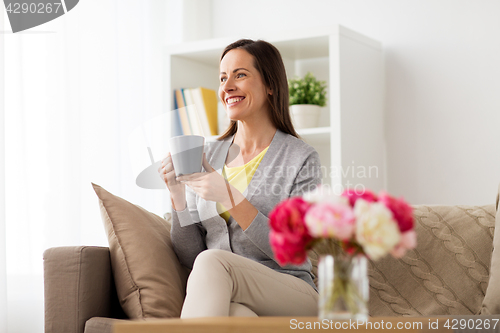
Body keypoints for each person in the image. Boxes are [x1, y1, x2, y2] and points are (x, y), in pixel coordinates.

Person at [159, 39, 322, 318]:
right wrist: (177, 196)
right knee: (236, 316)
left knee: (212, 261)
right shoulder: (208, 155)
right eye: (223, 77)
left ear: (270, 85)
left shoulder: (301, 158)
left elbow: (293, 251)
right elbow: (191, 256)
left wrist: (228, 196)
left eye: (240, 75)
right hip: (230, 291)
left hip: (291, 290)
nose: (227, 86)